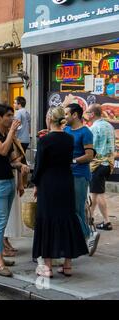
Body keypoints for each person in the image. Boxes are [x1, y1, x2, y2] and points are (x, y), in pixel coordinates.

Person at [32, 107, 88, 278]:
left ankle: (47, 266)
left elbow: (39, 165)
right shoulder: (69, 139)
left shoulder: (45, 140)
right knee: (67, 218)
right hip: (66, 181)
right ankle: (68, 265)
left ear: (49, 118)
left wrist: (35, 184)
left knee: (47, 220)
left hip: (48, 183)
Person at [0, 104, 29, 277]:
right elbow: (2, 150)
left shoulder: (4, 134)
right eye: (9, 115)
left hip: (8, 180)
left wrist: (20, 165)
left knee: (0, 222)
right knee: (0, 222)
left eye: (12, 115)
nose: (12, 118)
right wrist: (12, 133)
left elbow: (8, 160)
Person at [63, 103, 99, 256]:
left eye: (66, 114)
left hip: (79, 175)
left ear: (75, 115)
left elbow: (90, 155)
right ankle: (79, 239)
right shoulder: (65, 130)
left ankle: (89, 236)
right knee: (69, 209)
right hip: (66, 175)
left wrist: (73, 161)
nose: (64, 117)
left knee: (76, 210)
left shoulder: (86, 132)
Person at [86, 104, 116, 231]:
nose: (86, 114)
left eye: (88, 112)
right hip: (108, 164)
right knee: (94, 192)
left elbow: (90, 148)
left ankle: (107, 221)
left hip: (98, 164)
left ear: (92, 114)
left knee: (99, 193)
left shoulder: (93, 128)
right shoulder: (109, 125)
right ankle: (90, 217)